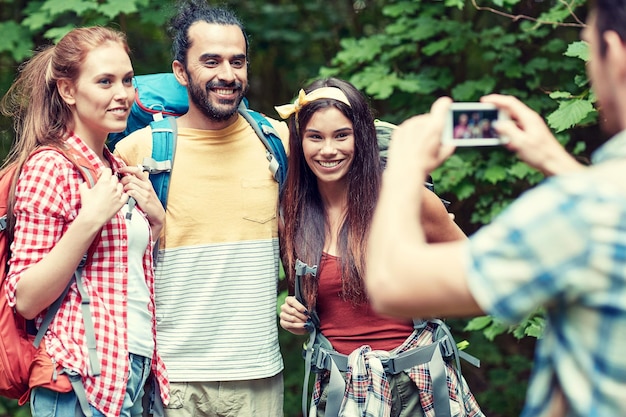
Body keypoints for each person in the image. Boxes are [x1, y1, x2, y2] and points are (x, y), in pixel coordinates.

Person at [366, 1, 626, 416]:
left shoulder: (582, 209)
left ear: (614, 54)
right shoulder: (597, 200)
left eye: (588, 46)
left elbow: (390, 283)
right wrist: (558, 163)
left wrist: (404, 166)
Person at [113, 1, 287, 416]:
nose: (227, 74)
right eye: (211, 61)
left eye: (237, 61)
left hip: (257, 373)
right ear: (180, 71)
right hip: (171, 376)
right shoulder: (138, 151)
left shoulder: (277, 141)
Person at [275, 77, 484, 417]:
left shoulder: (407, 199)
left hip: (418, 385)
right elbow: (317, 304)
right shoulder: (292, 214)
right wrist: (296, 315)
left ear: (362, 137)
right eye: (315, 137)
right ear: (299, 142)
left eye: (342, 135)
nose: (328, 150)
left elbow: (482, 276)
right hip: (340, 391)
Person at [0, 26, 169, 417]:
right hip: (76, 380)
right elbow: (25, 297)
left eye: (127, 80)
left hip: (131, 371)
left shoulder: (118, 170)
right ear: (68, 91)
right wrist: (88, 220)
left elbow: (118, 275)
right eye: (105, 81)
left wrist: (156, 225)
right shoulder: (50, 167)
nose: (122, 94)